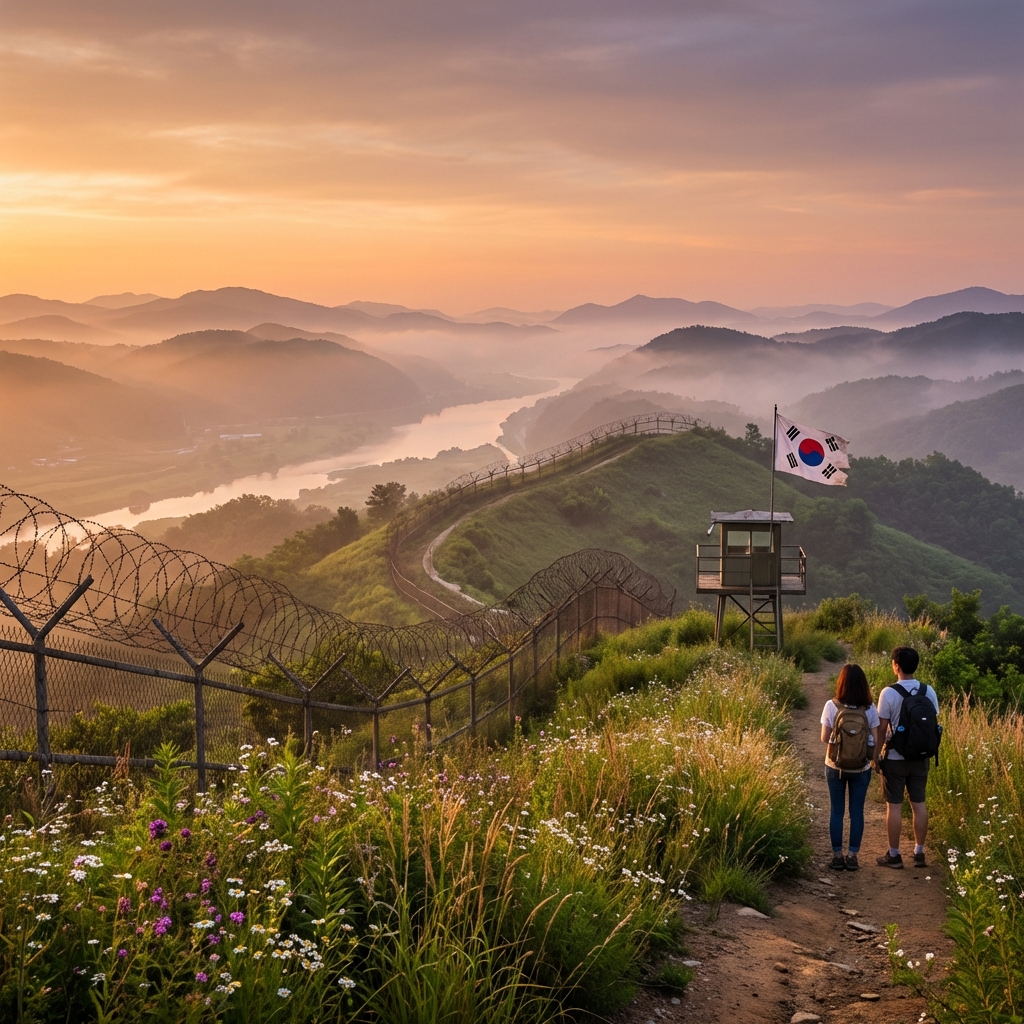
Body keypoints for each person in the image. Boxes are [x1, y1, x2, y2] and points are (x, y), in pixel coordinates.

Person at [875, 646, 939, 869]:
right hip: (921, 757)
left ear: (896, 666)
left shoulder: (889, 693)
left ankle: (894, 854)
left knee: (894, 806)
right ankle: (919, 852)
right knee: (919, 804)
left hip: (895, 757)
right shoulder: (928, 690)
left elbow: (882, 729)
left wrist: (876, 755)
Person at [820, 664, 881, 871]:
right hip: (861, 768)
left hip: (834, 765)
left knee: (837, 811)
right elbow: (875, 738)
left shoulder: (831, 705)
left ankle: (837, 857)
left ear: (841, 682)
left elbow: (824, 738)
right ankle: (853, 856)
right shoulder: (870, 708)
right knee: (857, 811)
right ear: (863, 685)